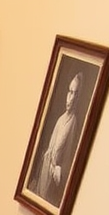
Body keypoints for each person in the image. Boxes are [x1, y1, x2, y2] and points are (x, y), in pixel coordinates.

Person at [31, 72, 83, 205]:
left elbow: (68, 159)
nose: (70, 98)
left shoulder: (73, 123)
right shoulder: (61, 119)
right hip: (44, 174)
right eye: (69, 92)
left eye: (74, 93)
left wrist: (59, 169)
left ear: (78, 97)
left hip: (51, 185)